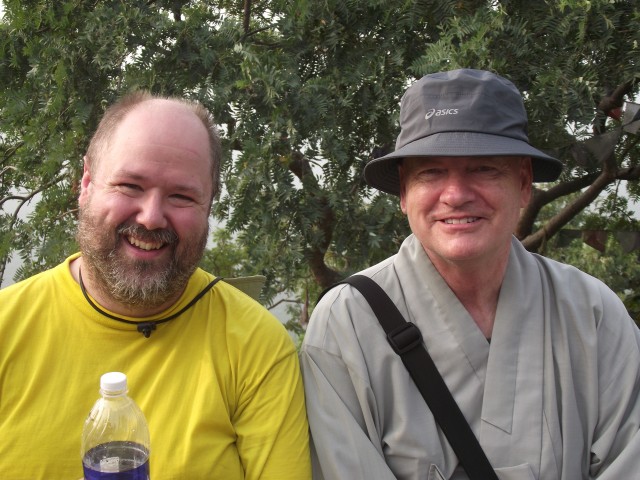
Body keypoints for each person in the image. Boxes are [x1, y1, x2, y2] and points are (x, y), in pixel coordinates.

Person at [300, 69, 640, 479]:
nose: (456, 195)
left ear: (524, 184)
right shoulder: (348, 323)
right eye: (431, 172)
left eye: (483, 168)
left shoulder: (592, 312)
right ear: (404, 192)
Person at [0, 91, 311, 479]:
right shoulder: (7, 327)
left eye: (181, 196)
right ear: (86, 183)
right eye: (130, 185)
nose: (150, 217)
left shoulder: (255, 346)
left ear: (209, 206)